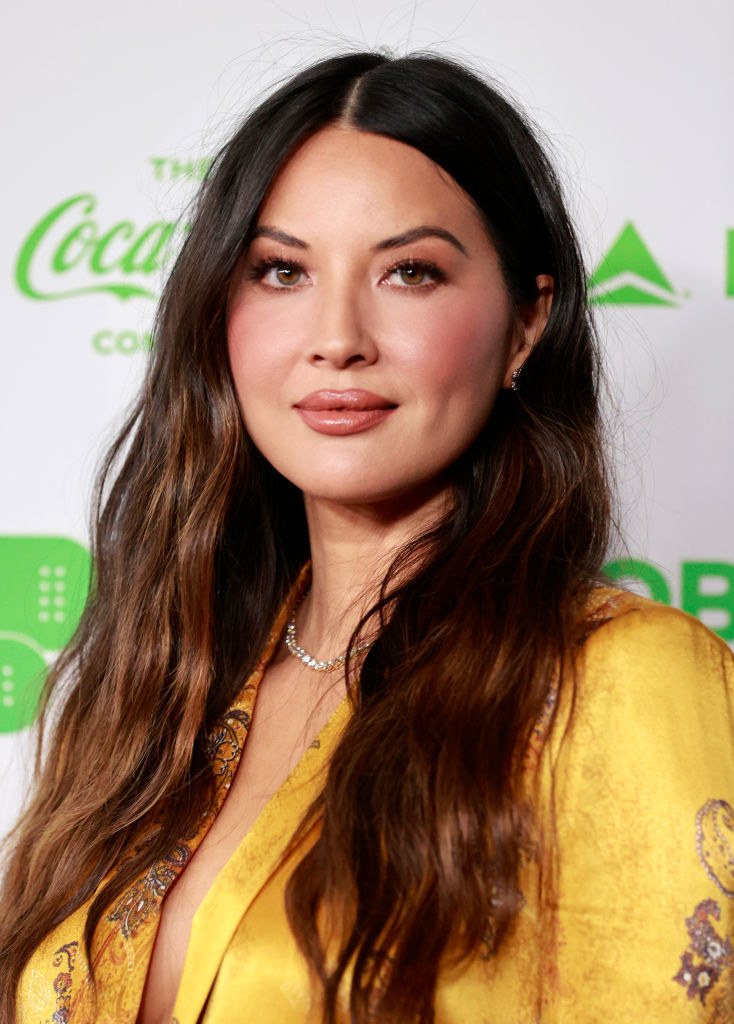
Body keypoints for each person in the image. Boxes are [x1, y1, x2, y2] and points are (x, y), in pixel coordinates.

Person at [2, 50, 732, 1024]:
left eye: (409, 271)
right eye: (281, 270)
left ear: (524, 323)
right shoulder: (155, 689)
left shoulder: (620, 681)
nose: (336, 334)